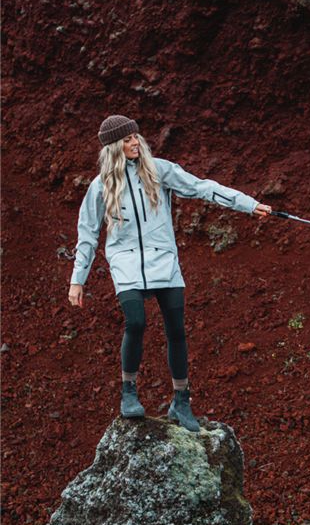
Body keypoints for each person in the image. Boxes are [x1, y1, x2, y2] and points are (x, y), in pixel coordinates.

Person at [68, 114, 272, 432]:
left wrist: (248, 204)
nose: (135, 143)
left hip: (164, 261)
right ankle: (128, 394)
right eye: (127, 140)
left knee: (176, 330)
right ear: (112, 147)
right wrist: (77, 280)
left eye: (136, 137)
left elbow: (202, 188)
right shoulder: (100, 187)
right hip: (126, 263)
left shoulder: (159, 170)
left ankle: (181, 401)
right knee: (136, 321)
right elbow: (88, 234)